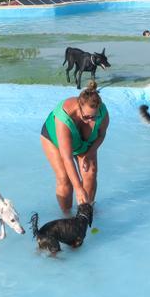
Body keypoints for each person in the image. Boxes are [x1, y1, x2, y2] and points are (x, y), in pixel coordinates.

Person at [40, 80, 110, 214]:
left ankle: (87, 212)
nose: (91, 120)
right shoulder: (64, 117)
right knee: (64, 178)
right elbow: (67, 158)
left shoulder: (102, 113)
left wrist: (89, 154)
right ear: (79, 106)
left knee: (91, 172)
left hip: (84, 144)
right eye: (87, 116)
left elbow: (101, 136)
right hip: (53, 139)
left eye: (94, 117)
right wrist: (78, 188)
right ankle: (67, 216)